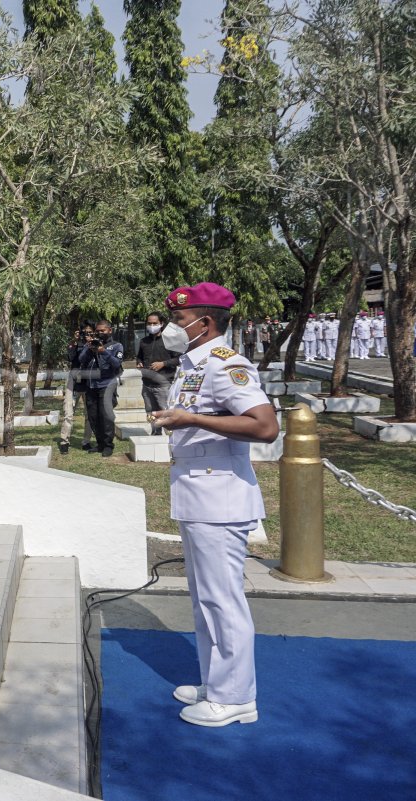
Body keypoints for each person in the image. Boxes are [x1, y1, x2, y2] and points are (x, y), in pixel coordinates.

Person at [151, 282, 278, 728]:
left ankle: (236, 697)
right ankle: (216, 681)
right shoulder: (194, 364)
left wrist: (191, 418)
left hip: (219, 495)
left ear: (205, 323)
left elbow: (265, 427)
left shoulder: (227, 365)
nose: (172, 327)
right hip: (196, 491)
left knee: (223, 599)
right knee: (206, 597)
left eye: (180, 320)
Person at [77, 320, 123, 457]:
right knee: (93, 417)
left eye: (103, 331)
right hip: (91, 386)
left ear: (110, 330)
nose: (100, 333)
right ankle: (100, 443)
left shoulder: (116, 346)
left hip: (107, 385)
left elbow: (116, 364)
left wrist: (103, 352)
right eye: (98, 331)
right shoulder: (90, 344)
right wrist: (89, 349)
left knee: (106, 417)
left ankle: (108, 445)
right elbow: (81, 359)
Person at [135, 312, 181, 435]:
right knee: (150, 412)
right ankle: (155, 434)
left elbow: (179, 359)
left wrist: (163, 363)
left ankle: (171, 437)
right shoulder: (144, 341)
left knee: (165, 412)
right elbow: (139, 357)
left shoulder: (171, 340)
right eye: (149, 323)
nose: (151, 325)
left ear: (161, 324)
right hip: (147, 384)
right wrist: (139, 363)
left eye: (154, 323)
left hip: (163, 384)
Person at [59, 322, 96, 454]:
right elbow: (70, 357)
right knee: (68, 413)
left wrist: (92, 344)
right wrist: (74, 341)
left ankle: (86, 441)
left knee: (89, 414)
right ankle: (64, 441)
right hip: (73, 381)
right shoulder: (75, 344)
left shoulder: (95, 345)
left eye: (90, 332)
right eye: (85, 333)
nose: (88, 335)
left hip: (88, 382)